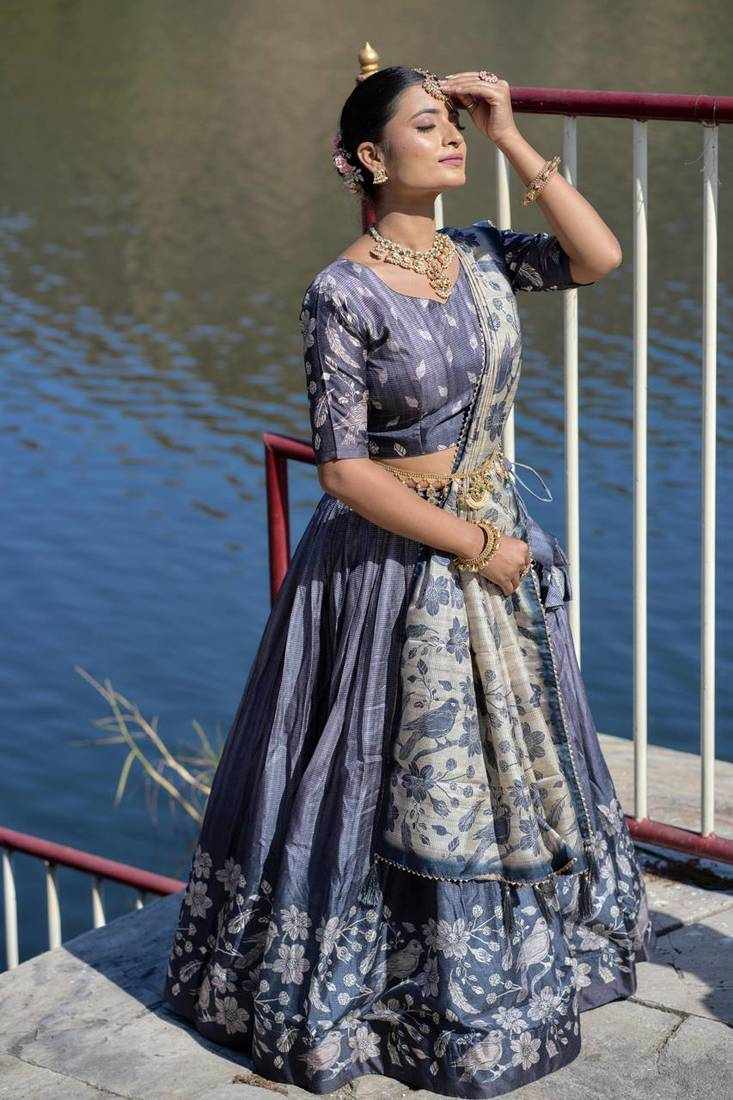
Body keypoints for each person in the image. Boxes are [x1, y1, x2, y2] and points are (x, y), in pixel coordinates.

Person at [162, 65, 655, 1098]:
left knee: (495, 767)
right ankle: (378, 983)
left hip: (493, 542)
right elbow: (344, 472)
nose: (450, 138)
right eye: (428, 126)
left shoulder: (478, 254)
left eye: (452, 124)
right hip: (391, 565)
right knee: (373, 775)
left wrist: (512, 135)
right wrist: (475, 546)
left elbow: (597, 257)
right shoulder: (341, 293)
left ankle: (493, 956)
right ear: (368, 158)